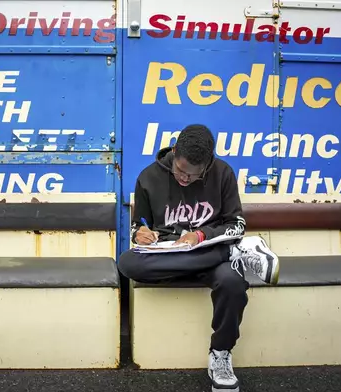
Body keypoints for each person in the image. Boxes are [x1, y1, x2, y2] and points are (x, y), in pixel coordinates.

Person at [118, 124, 280, 392]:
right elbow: (139, 225)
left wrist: (201, 235)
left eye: (194, 175)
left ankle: (221, 354)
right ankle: (232, 253)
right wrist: (141, 234)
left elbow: (237, 225)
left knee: (232, 282)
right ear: (174, 152)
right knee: (127, 263)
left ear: (208, 165)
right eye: (180, 171)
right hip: (172, 254)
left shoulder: (222, 173)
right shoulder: (148, 177)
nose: (185, 178)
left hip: (206, 251)